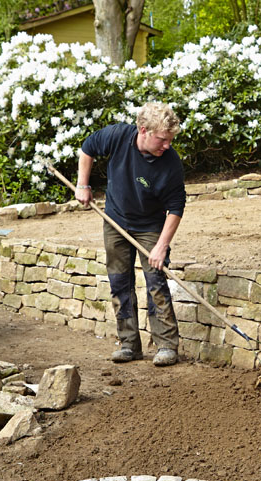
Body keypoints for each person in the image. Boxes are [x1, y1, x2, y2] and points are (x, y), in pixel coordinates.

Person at [76, 102, 185, 366]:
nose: (167, 145)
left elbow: (176, 207)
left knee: (156, 281)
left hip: (150, 225)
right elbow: (87, 148)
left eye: (170, 140)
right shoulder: (117, 136)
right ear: (143, 130)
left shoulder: (170, 163)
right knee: (119, 281)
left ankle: (166, 345)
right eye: (162, 139)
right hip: (115, 221)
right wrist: (83, 185)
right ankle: (128, 344)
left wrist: (161, 246)